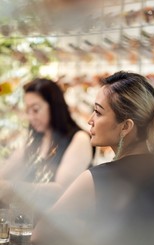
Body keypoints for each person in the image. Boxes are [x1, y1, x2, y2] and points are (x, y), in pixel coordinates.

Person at [31, 71, 154, 245]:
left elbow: (39, 236)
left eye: (98, 112)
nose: (90, 120)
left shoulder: (98, 179)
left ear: (125, 127)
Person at [0, 78, 94, 213]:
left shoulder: (79, 139)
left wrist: (12, 188)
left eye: (36, 110)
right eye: (28, 111)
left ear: (54, 106)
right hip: (28, 222)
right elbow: (5, 173)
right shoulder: (34, 141)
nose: (31, 117)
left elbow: (62, 190)